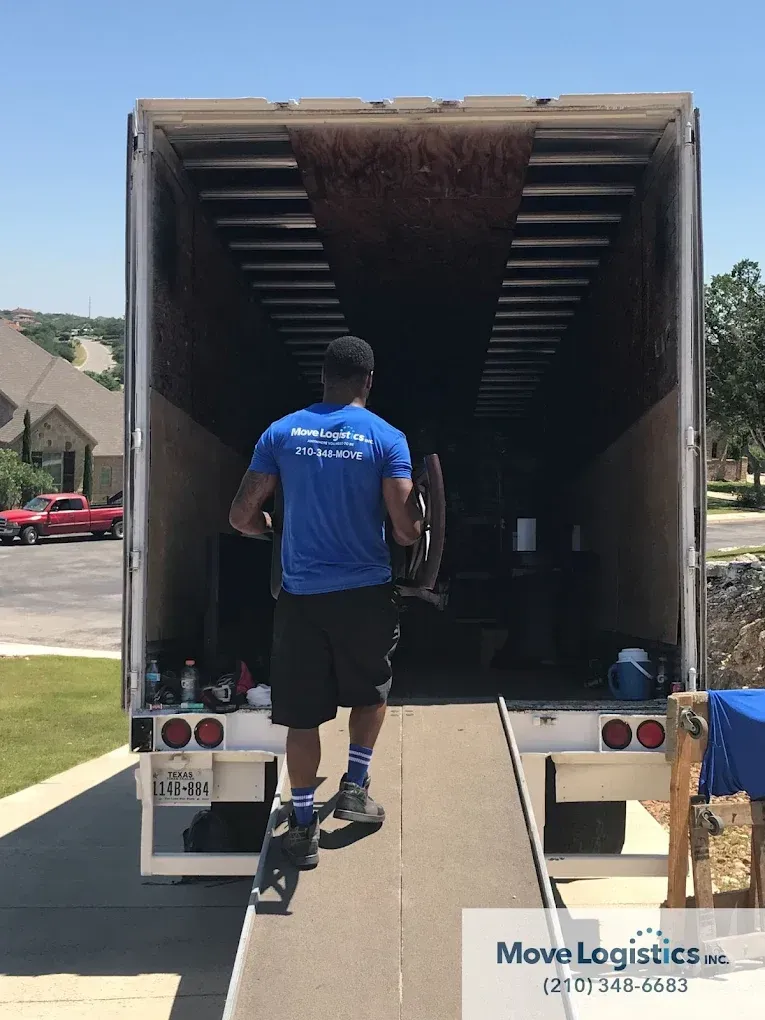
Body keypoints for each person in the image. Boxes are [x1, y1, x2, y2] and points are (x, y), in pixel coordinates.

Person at [229, 336, 423, 868]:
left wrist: (273, 528)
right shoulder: (387, 438)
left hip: (301, 599)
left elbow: (241, 516)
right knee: (371, 691)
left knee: (302, 715)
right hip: (365, 596)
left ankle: (305, 821)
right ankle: (356, 785)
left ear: (323, 377)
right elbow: (406, 531)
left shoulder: (282, 432)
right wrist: (419, 524)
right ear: (368, 381)